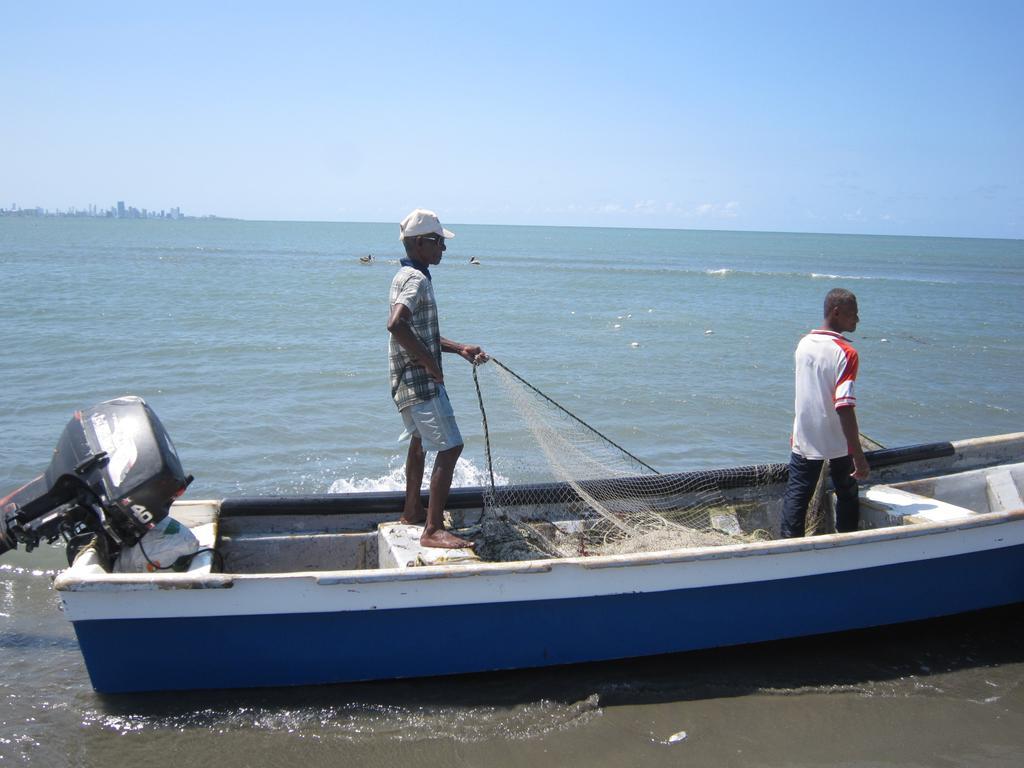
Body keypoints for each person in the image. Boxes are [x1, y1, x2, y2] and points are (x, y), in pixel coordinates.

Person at [386, 208, 487, 548]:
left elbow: (416, 330)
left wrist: (458, 348)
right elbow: (397, 325)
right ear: (419, 243)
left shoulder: (406, 275)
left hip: (404, 381)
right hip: (419, 381)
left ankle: (412, 511)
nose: (443, 248)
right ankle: (432, 530)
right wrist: (430, 364)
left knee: (420, 442)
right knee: (451, 446)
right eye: (438, 242)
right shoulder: (416, 280)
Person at [780, 288, 870, 538]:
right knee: (847, 493)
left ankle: (788, 548)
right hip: (838, 441)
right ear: (837, 312)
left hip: (805, 435)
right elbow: (844, 405)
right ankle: (847, 543)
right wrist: (857, 453)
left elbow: (805, 392)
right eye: (853, 314)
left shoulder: (804, 344)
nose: (857, 320)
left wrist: (795, 430)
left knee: (797, 495)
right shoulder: (846, 353)